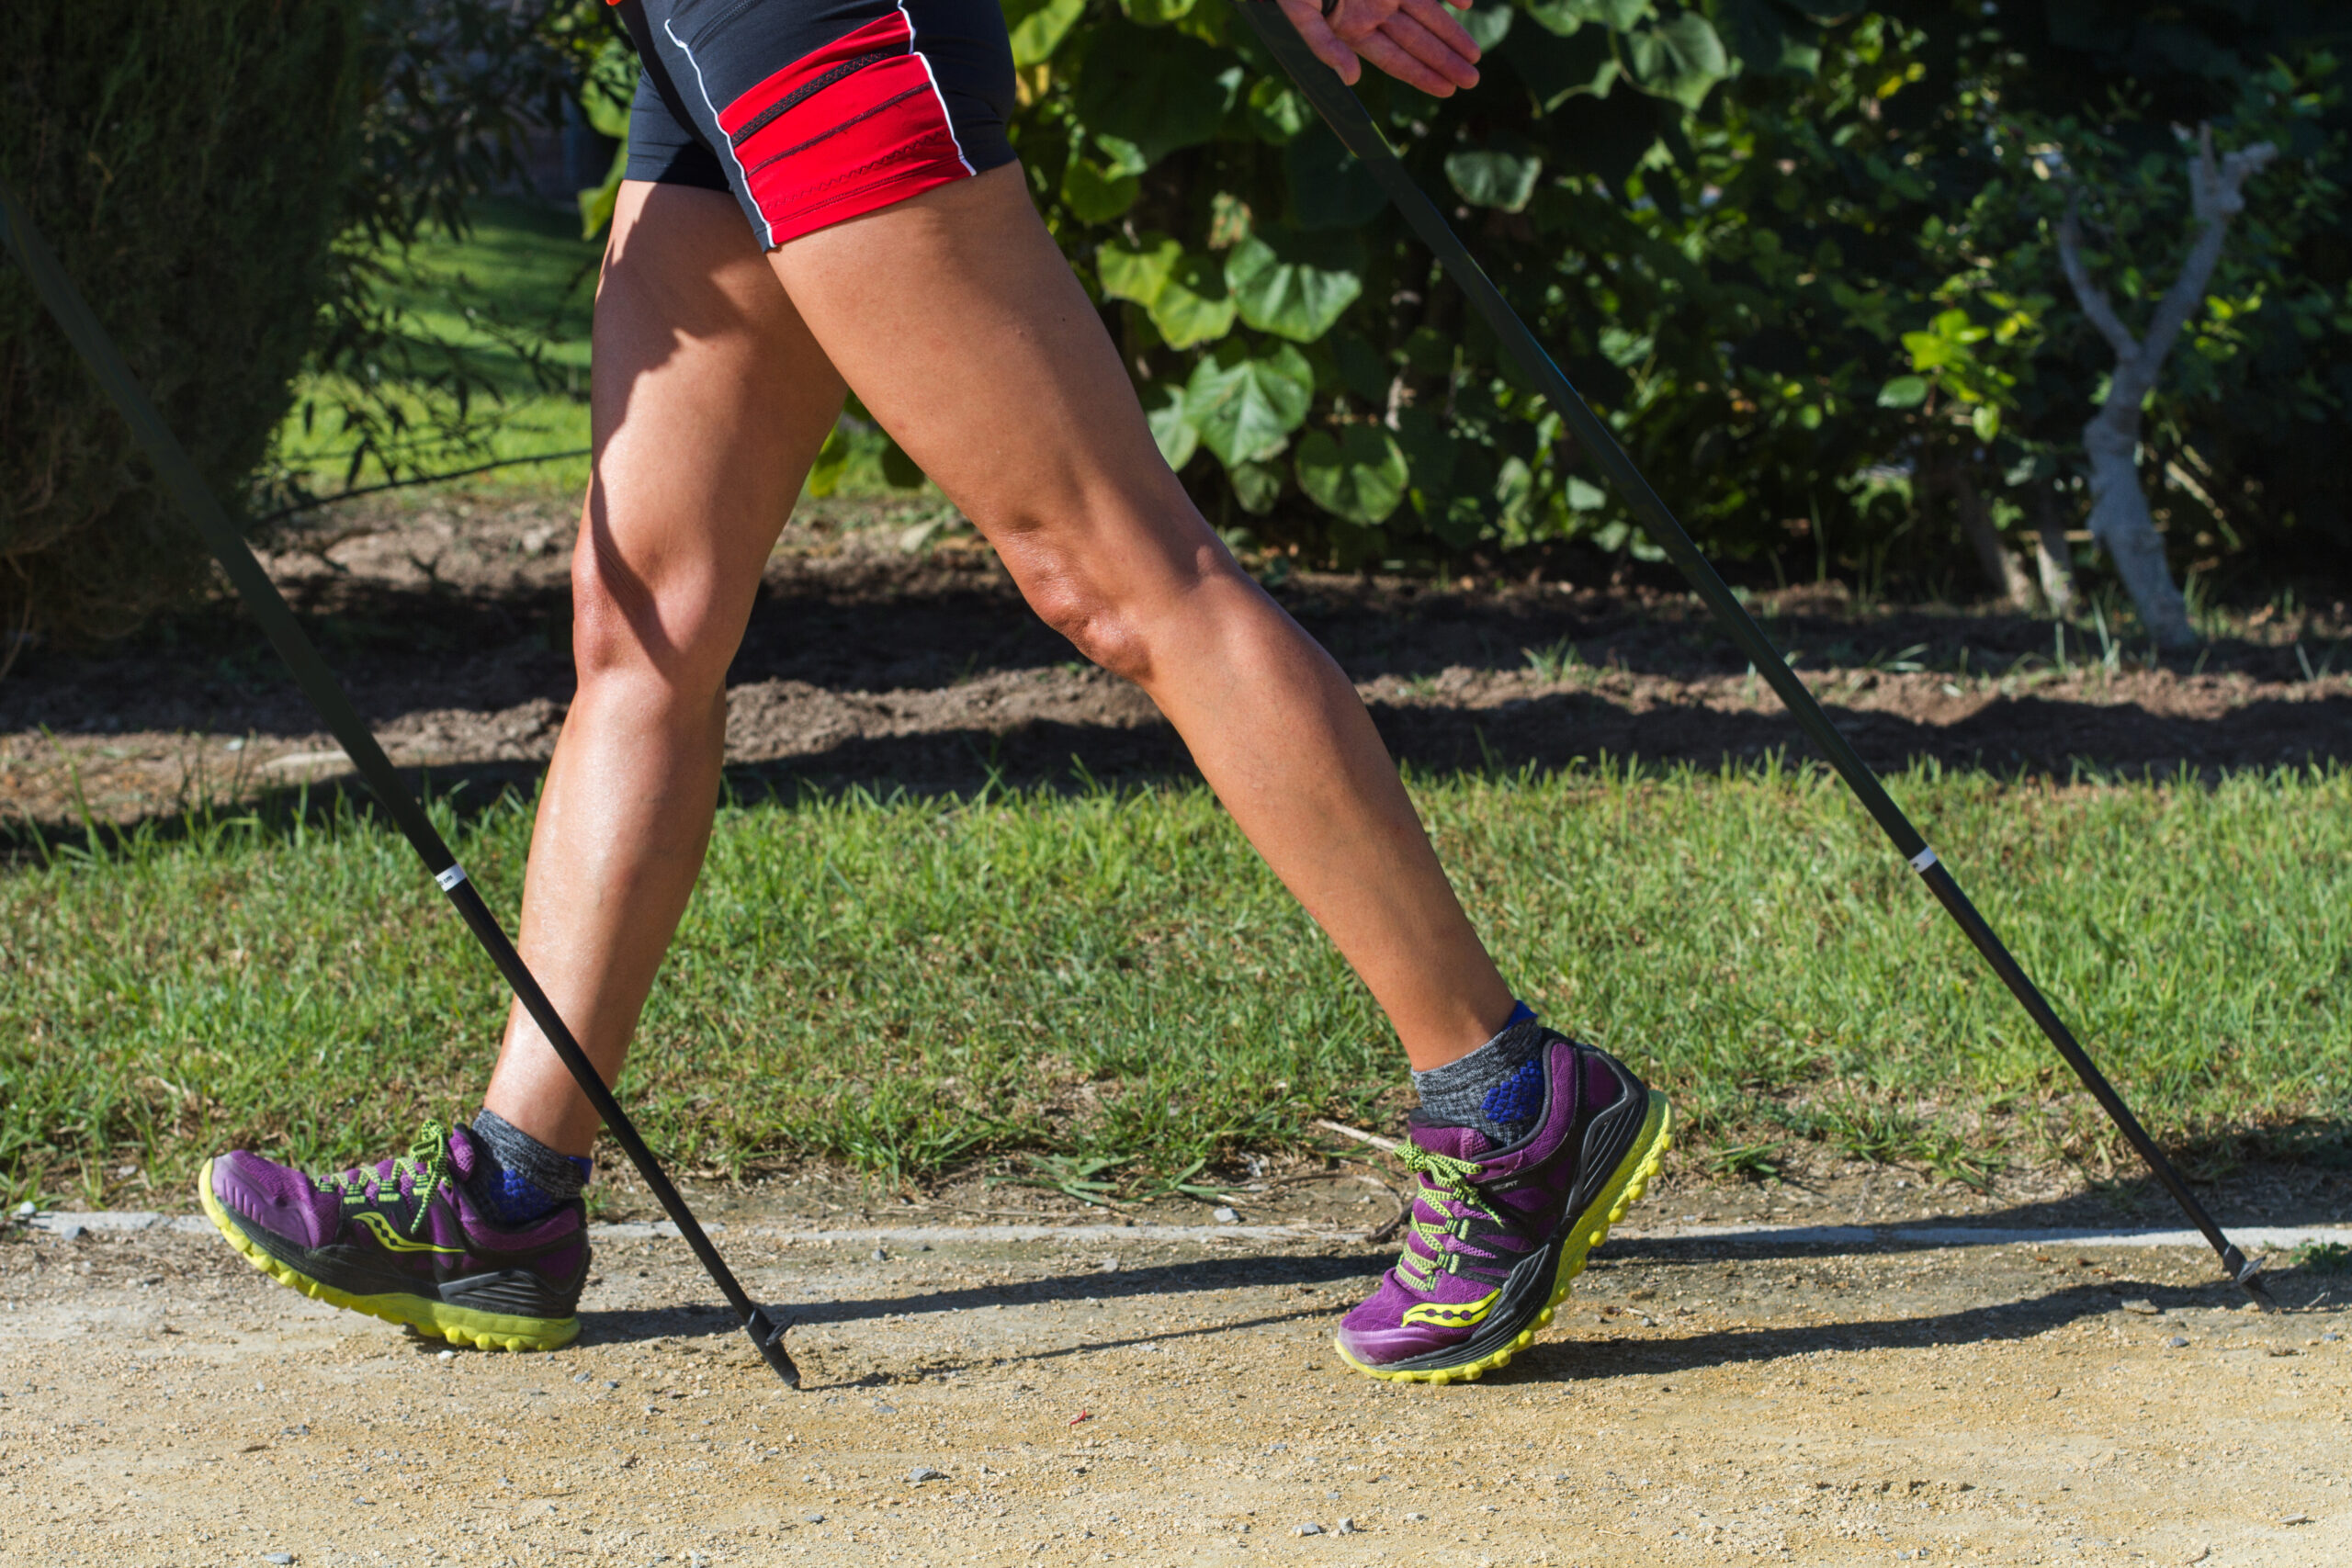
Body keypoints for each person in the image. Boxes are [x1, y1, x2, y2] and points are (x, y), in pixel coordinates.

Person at [196, 0, 1670, 1385]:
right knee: (645, 622)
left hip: (820, 19)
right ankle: (510, 1203)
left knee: (1110, 568)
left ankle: (1512, 1103)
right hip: (692, 32)